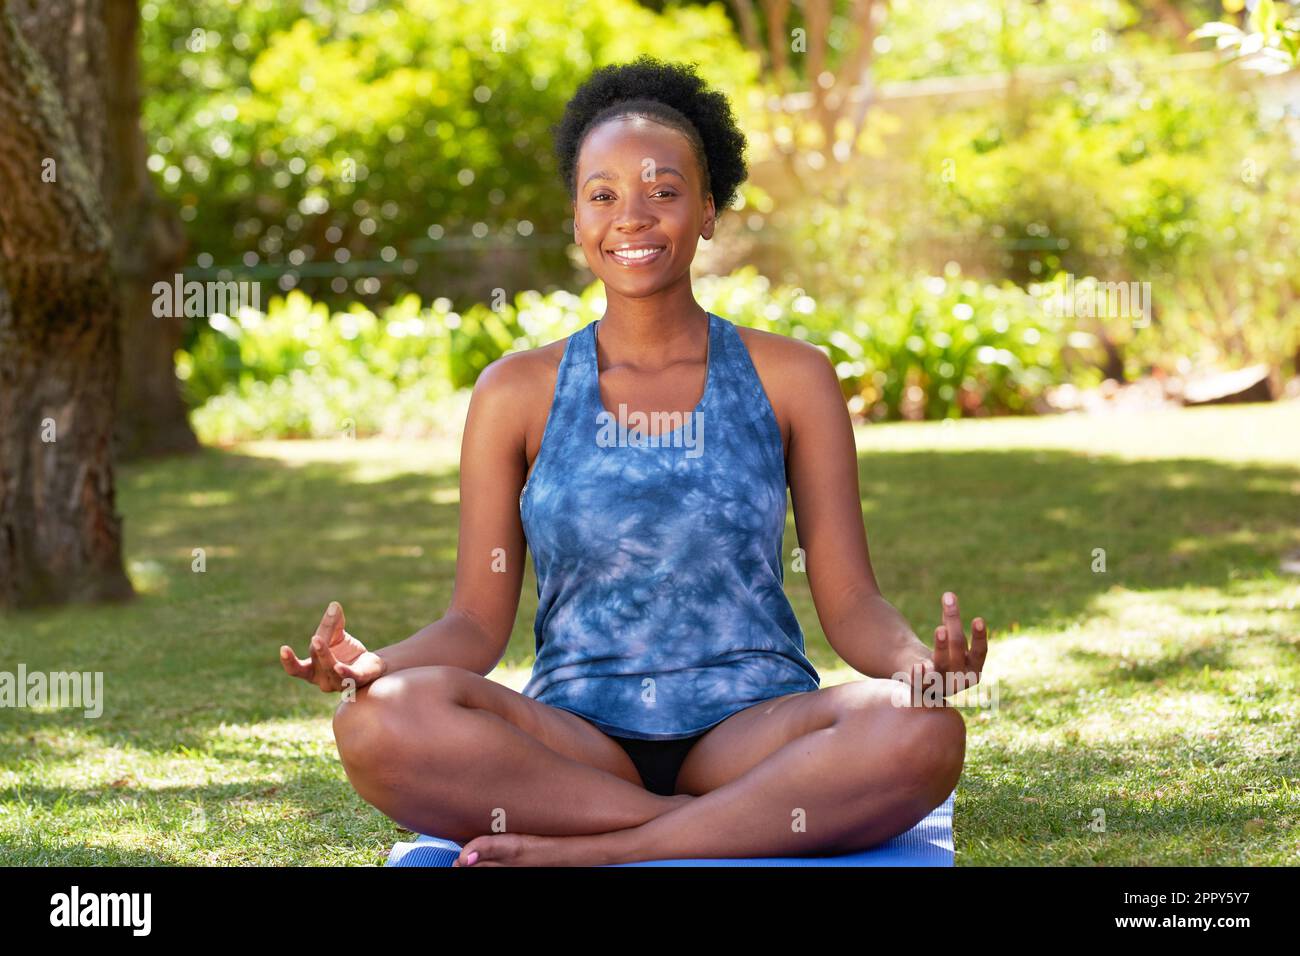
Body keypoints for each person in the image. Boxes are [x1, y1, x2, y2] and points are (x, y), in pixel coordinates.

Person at [280, 56, 989, 867]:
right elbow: (475, 625)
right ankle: (713, 828)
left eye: (663, 190)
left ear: (710, 209)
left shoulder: (793, 377)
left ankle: (597, 848)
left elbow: (852, 599)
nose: (633, 217)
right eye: (604, 194)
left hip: (751, 729)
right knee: (375, 721)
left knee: (921, 730)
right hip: (577, 738)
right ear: (578, 219)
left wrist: (920, 670)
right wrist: (372, 665)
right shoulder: (516, 390)